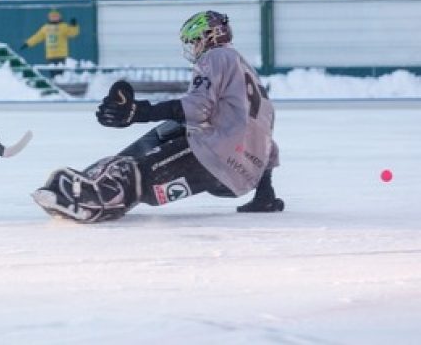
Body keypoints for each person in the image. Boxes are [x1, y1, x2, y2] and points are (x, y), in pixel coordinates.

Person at [33, 11, 282, 223]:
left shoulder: (215, 56)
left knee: (139, 176)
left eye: (194, 41)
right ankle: (105, 174)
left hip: (214, 157)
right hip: (239, 178)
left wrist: (141, 112)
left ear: (208, 36)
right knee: (169, 129)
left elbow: (197, 107)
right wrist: (264, 192)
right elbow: (268, 142)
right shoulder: (249, 73)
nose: (193, 48)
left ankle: (96, 195)